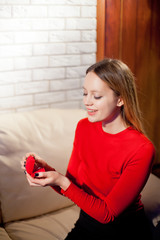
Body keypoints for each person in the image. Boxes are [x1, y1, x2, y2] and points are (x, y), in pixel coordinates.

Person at [21, 58, 155, 240]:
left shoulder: (142, 149)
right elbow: (71, 185)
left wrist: (61, 181)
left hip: (125, 231)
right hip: (87, 222)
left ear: (120, 99)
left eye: (96, 96)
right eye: (85, 93)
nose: (87, 102)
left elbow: (107, 214)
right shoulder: (84, 127)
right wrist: (46, 170)